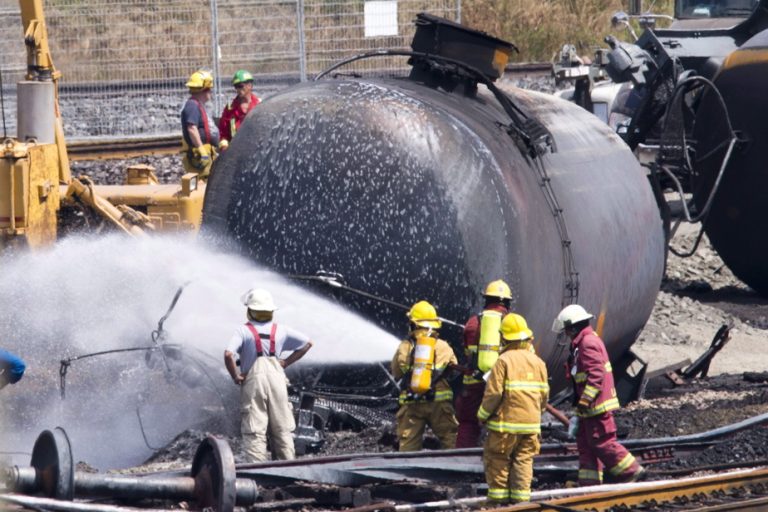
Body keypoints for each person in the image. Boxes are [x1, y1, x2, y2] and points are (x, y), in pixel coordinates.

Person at [552, 304, 645, 485]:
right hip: (589, 406)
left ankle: (632, 471)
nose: (566, 334)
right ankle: (589, 484)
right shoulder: (582, 343)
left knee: (601, 442)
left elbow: (596, 376)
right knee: (586, 445)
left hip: (596, 405)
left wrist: (585, 401)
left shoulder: (588, 343)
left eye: (567, 330)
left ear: (573, 327)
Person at [224, 288, 313, 462]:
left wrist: (235, 376)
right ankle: (287, 469)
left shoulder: (242, 331)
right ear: (270, 311)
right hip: (277, 380)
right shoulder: (282, 330)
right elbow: (308, 343)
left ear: (250, 311)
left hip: (253, 381)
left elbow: (228, 354)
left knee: (255, 429)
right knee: (281, 428)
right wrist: (285, 362)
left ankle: (259, 473)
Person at [478, 313, 548, 504]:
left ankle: (497, 504)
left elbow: (493, 394)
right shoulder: (538, 362)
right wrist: (535, 415)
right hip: (531, 425)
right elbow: (544, 395)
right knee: (524, 461)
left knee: (498, 459)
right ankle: (520, 504)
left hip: (506, 425)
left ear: (505, 338)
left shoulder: (503, 361)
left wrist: (482, 415)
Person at [391, 300, 459, 451]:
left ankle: (407, 471)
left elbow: (396, 372)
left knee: (408, 443)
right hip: (438, 402)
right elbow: (453, 372)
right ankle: (453, 469)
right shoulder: (443, 346)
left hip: (412, 402)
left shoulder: (405, 346)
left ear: (413, 324)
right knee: (450, 438)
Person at [455, 279, 513, 448]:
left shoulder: (473, 323)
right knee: (502, 423)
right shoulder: (511, 322)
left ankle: (462, 460)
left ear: (486, 299)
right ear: (507, 302)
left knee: (468, 423)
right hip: (501, 383)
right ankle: (497, 457)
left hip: (474, 382)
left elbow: (467, 350)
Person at [181, 70, 221, 179]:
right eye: (209, 89)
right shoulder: (192, 106)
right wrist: (201, 150)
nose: (210, 92)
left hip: (205, 152)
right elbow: (192, 128)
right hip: (199, 155)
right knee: (202, 185)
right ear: (203, 90)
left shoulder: (197, 105)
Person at [218, 70, 261, 149]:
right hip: (236, 151)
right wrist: (224, 147)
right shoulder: (230, 109)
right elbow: (223, 133)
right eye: (236, 86)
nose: (238, 89)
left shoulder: (260, 105)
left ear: (250, 85)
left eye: (240, 86)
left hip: (255, 150)